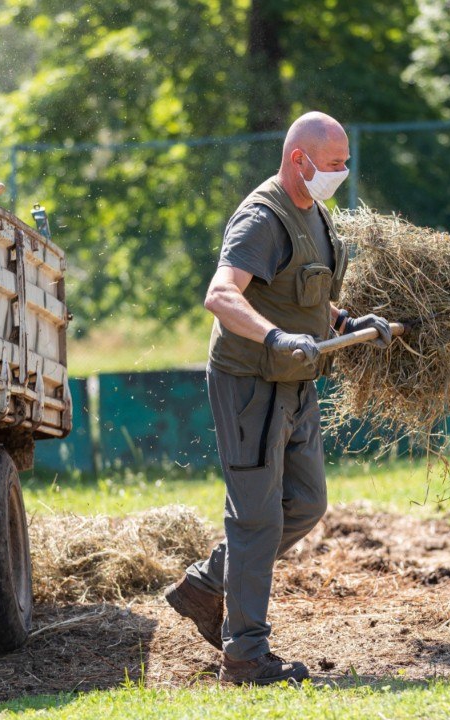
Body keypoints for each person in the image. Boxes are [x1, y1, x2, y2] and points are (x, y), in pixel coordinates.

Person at [163, 112, 394, 686]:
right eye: (335, 164)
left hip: (295, 378)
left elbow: (302, 292)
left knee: (307, 503)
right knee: (257, 519)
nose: (341, 173)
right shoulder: (262, 218)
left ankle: (206, 583)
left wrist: (342, 320)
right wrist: (274, 337)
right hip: (251, 382)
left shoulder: (316, 215)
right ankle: (244, 656)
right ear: (300, 159)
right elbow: (220, 295)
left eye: (344, 163)